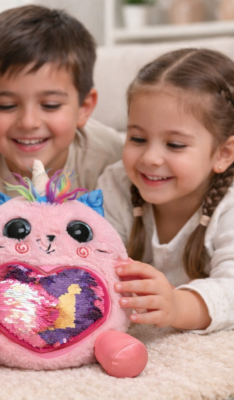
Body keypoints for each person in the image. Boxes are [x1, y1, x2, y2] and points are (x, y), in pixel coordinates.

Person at [97, 48, 234, 333]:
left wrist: (178, 306)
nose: (150, 158)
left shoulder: (229, 205)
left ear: (224, 153)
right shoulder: (116, 184)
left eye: (175, 144)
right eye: (137, 138)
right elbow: (94, 260)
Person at [0, 5, 123, 225]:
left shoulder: (109, 157)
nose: (28, 122)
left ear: (84, 108)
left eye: (50, 105)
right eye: (6, 106)